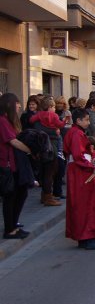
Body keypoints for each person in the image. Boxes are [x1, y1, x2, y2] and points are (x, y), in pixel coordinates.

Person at [63, 108, 95, 249]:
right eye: (86, 120)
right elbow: (78, 156)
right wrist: (92, 167)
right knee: (85, 205)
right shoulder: (76, 134)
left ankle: (83, 237)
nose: (88, 122)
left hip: (79, 171)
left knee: (81, 204)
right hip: (80, 173)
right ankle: (87, 237)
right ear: (78, 121)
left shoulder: (76, 132)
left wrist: (91, 162)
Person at [0, 93, 32, 239]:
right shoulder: (2, 121)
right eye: (17, 103)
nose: (19, 105)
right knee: (10, 197)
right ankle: (10, 229)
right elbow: (13, 141)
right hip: (5, 165)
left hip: (13, 163)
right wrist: (30, 150)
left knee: (20, 193)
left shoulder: (9, 120)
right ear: (9, 104)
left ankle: (13, 224)